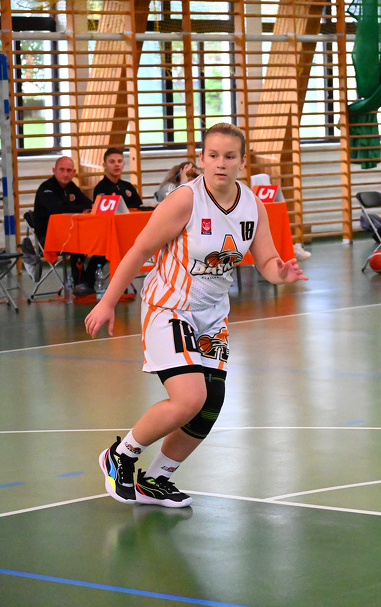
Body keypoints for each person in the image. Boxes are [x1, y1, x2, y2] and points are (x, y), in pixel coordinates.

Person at [85, 122, 308, 507]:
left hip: (212, 315)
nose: (221, 163)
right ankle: (120, 455)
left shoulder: (252, 205)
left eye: (230, 156)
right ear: (202, 159)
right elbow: (139, 250)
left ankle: (155, 479)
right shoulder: (185, 200)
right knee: (189, 398)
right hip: (169, 307)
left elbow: (267, 260)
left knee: (209, 403)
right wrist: (107, 301)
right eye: (213, 155)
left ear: (242, 161)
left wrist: (281, 274)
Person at [73, 147, 144, 296]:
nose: (116, 164)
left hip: (130, 233)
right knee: (106, 248)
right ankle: (87, 281)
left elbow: (138, 206)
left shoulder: (127, 187)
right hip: (109, 234)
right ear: (104, 165)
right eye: (112, 162)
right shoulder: (101, 188)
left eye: (119, 161)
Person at [33, 156, 93, 287]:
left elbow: (89, 204)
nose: (65, 174)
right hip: (49, 236)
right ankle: (80, 284)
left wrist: (79, 207)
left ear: (74, 172)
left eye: (69, 170)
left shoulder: (71, 187)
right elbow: (58, 209)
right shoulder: (46, 188)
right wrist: (79, 208)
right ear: (54, 170)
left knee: (96, 242)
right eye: (62, 170)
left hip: (70, 233)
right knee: (77, 244)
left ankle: (86, 281)